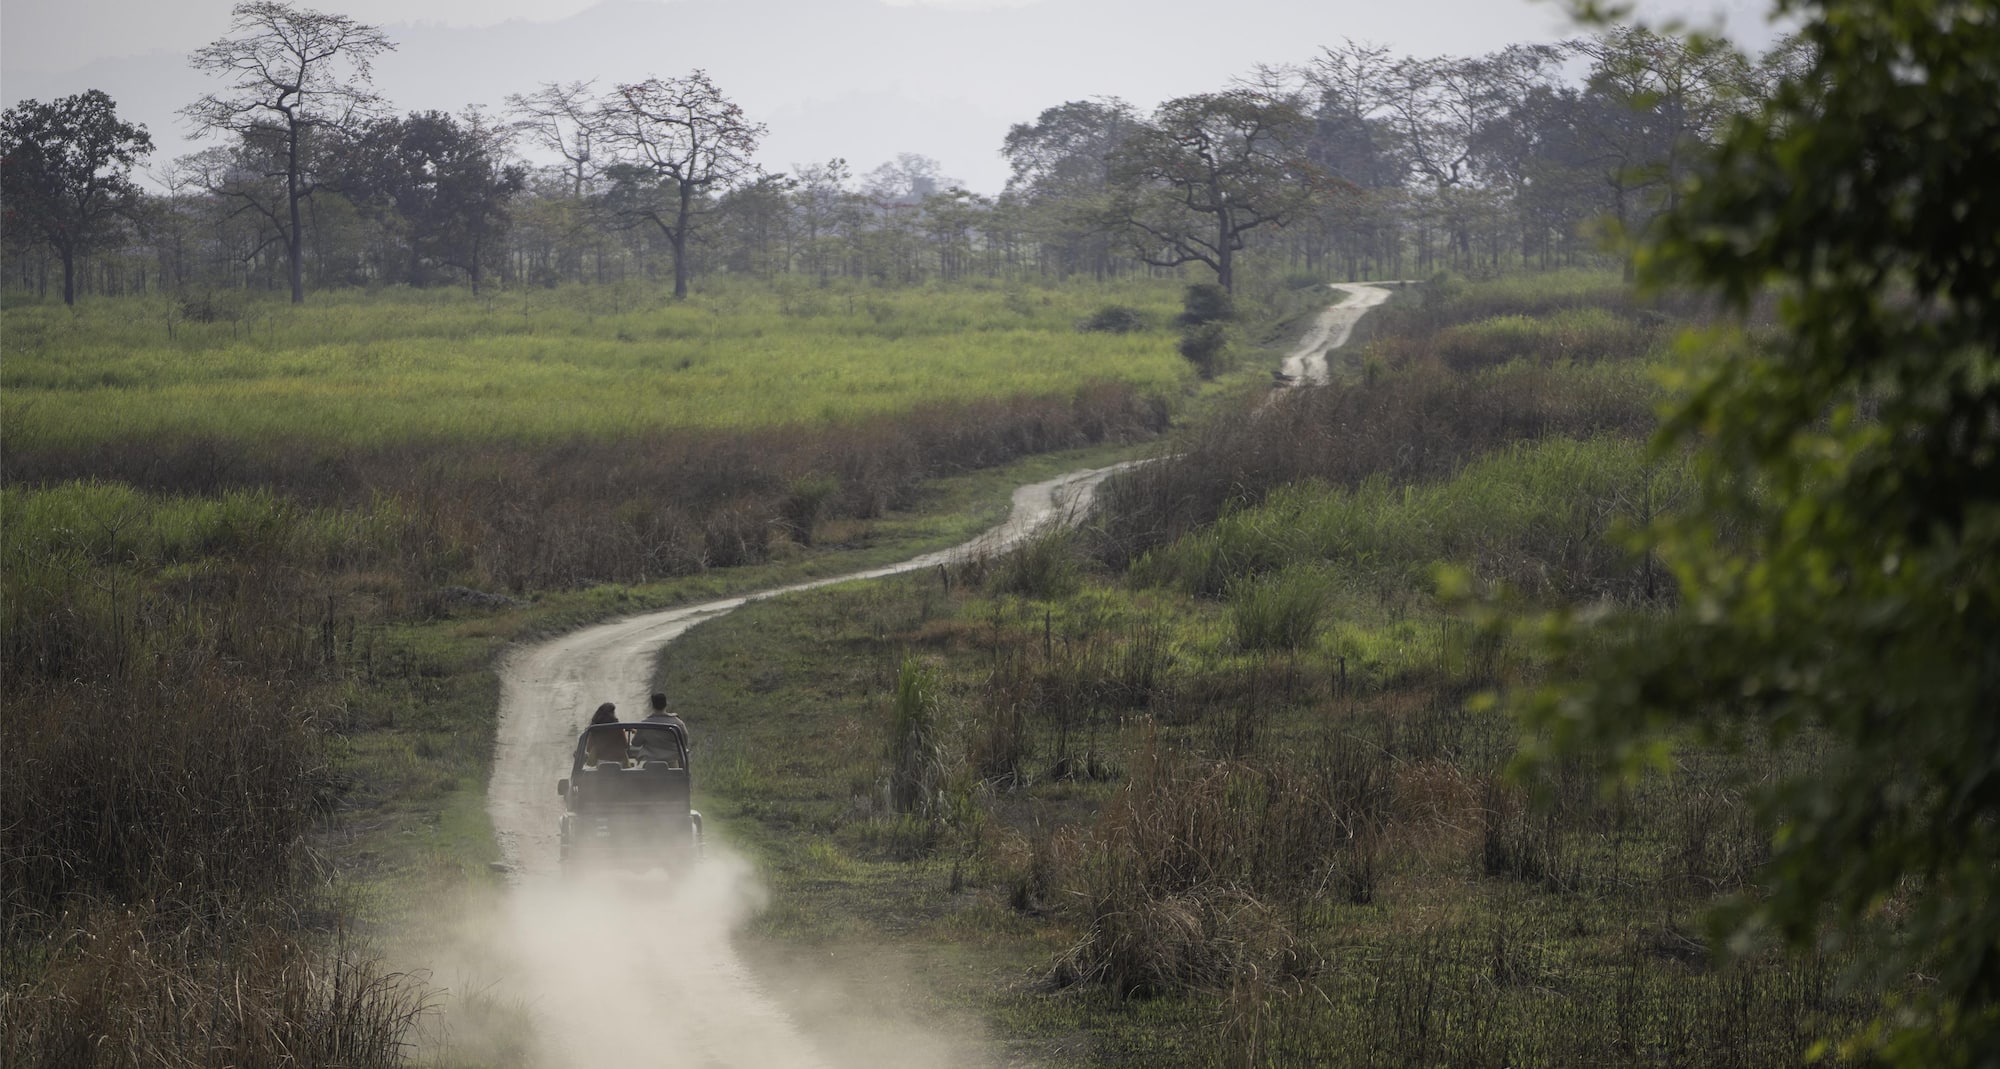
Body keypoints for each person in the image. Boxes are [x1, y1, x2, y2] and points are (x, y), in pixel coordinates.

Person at [635, 692, 688, 766]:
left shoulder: (645, 724)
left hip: (651, 764)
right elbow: (684, 742)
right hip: (671, 764)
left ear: (653, 706)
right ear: (666, 704)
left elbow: (636, 743)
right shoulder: (677, 722)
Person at [583, 702, 629, 766]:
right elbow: (625, 745)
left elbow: (589, 748)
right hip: (618, 764)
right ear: (612, 714)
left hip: (599, 765)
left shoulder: (594, 729)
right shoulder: (617, 728)